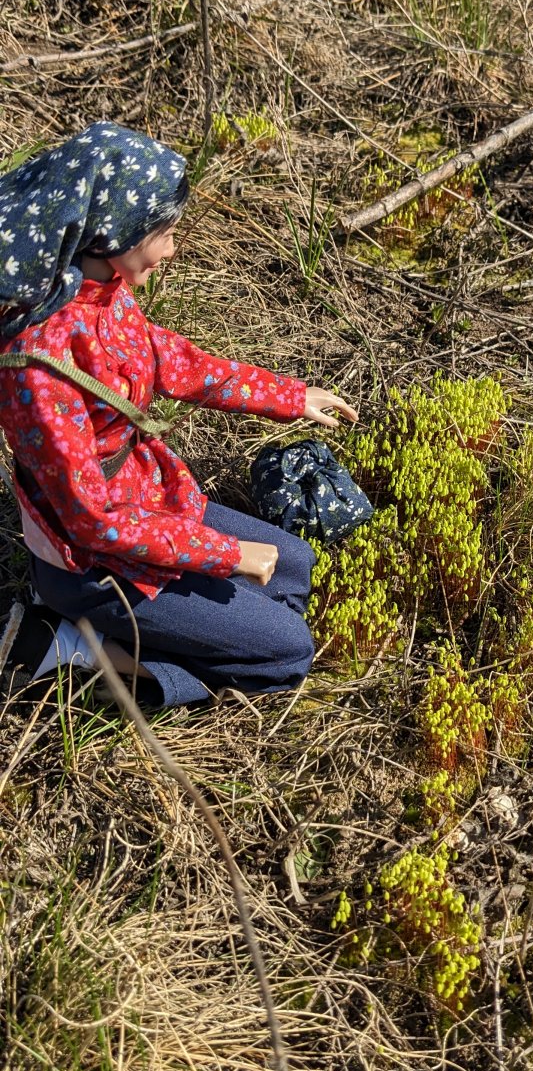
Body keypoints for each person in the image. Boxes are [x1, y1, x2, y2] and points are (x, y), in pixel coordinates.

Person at [0, 121, 357, 707]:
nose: (170, 251)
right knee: (291, 650)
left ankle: (189, 636)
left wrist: (291, 397)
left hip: (151, 502)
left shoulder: (101, 293)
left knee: (295, 566)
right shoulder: (36, 370)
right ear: (113, 232)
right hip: (92, 567)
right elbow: (94, 522)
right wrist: (229, 555)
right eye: (163, 234)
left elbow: (172, 361)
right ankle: (71, 648)